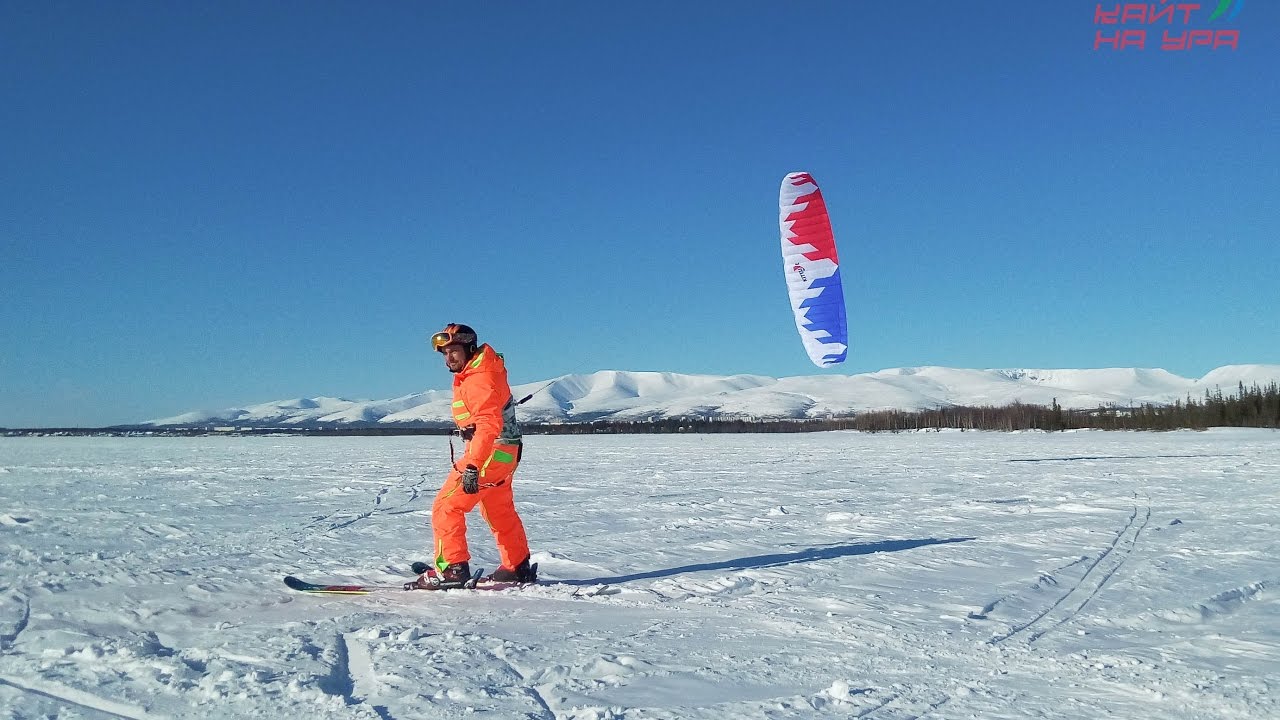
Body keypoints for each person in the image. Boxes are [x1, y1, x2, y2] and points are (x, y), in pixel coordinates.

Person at [421, 323, 536, 585]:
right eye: (445, 353)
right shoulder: (481, 371)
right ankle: (517, 565)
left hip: (488, 452)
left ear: (469, 349)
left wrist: (473, 465)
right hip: (506, 452)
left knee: (447, 506)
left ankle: (452, 568)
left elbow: (487, 424)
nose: (448, 358)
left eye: (454, 351)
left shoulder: (479, 377)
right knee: (498, 509)